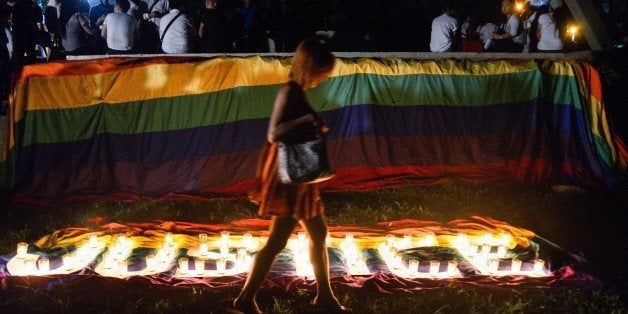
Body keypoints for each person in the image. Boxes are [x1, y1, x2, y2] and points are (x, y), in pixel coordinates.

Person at [232, 37, 350, 314]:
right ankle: (244, 299)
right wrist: (306, 120)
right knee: (277, 240)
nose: (324, 78)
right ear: (309, 67)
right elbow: (274, 134)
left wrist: (312, 124)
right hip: (288, 179)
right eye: (322, 72)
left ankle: (325, 297)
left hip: (300, 177)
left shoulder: (298, 91)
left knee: (319, 234)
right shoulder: (289, 91)